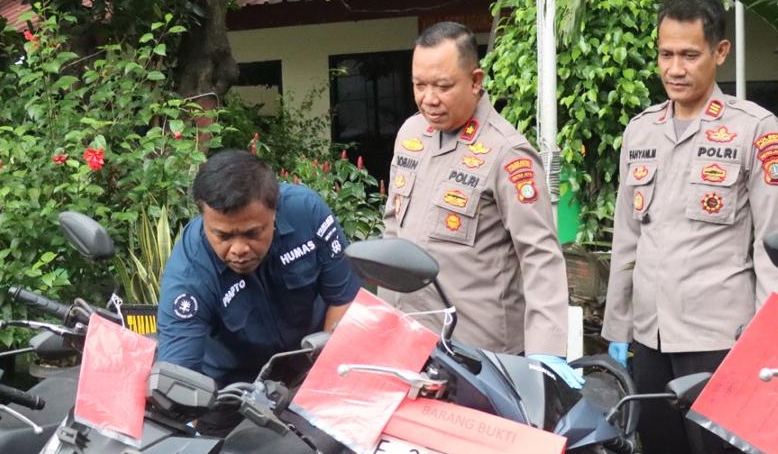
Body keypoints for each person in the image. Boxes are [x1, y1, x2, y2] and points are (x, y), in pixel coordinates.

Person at [601, 0, 778, 454]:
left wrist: (773, 342)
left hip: (722, 336)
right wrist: (617, 328)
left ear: (720, 52)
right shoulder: (641, 132)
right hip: (653, 335)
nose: (675, 68)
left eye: (689, 54)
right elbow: (627, 237)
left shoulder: (753, 130)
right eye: (665, 54)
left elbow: (776, 242)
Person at [383, 21, 568, 357]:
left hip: (481, 353)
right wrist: (385, 320)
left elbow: (540, 257)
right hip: (413, 340)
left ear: (475, 81)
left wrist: (546, 353)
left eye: (442, 86)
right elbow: (394, 229)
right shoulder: (411, 134)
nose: (428, 99)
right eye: (419, 85)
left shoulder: (507, 152)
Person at [158, 148, 362, 395]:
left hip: (311, 371)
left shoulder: (307, 213)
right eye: (223, 236)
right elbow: (178, 378)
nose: (239, 249)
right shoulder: (189, 273)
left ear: (275, 211)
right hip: (232, 391)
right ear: (203, 218)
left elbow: (344, 300)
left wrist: (322, 383)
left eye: (252, 233)